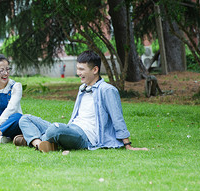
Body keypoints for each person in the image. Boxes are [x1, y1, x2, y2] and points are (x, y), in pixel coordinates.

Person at [14, 50, 148, 152]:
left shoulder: (107, 90)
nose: (78, 73)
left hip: (85, 137)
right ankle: (39, 144)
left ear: (95, 70)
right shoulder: (82, 88)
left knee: (54, 129)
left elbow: (117, 118)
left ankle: (31, 140)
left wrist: (127, 144)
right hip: (72, 128)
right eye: (78, 69)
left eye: (81, 69)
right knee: (25, 119)